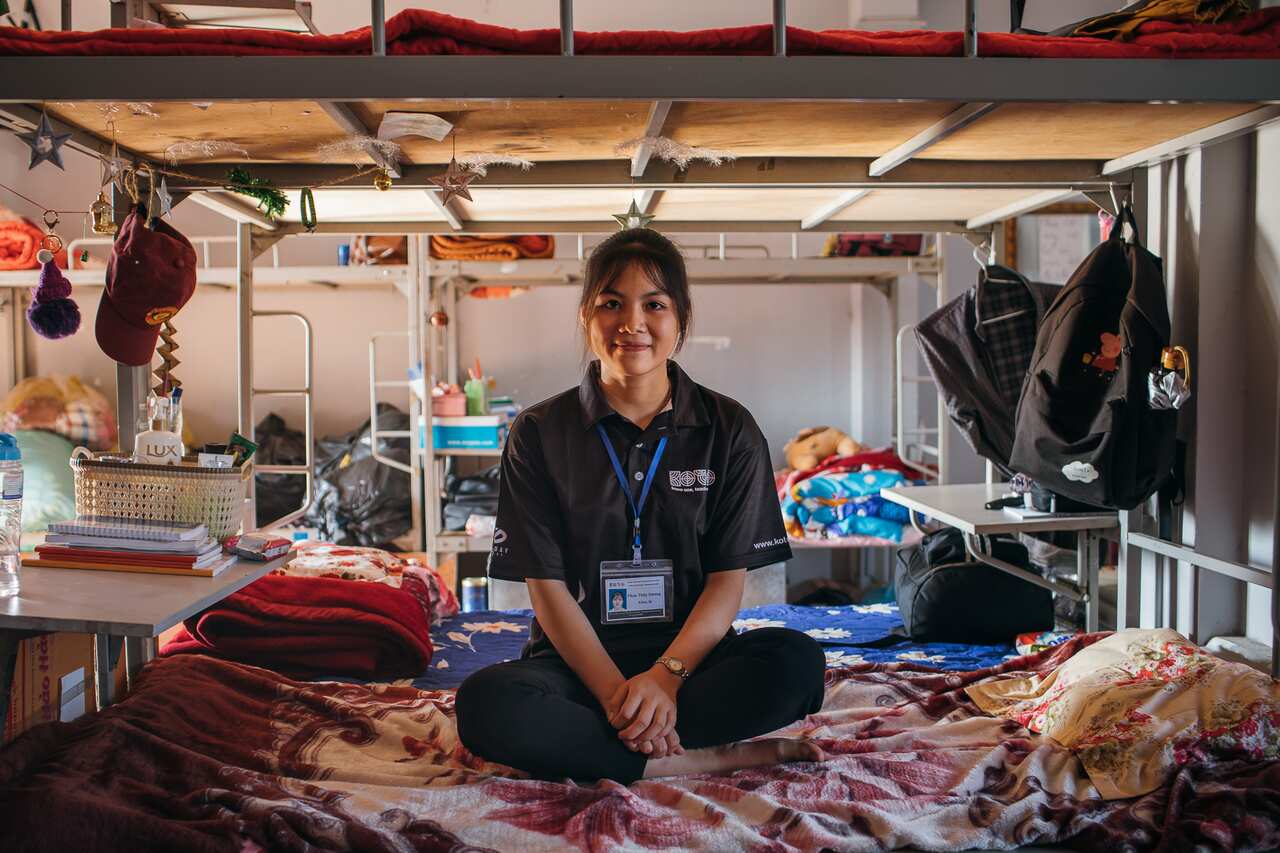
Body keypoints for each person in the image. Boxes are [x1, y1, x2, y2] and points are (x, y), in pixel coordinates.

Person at [455, 228, 827, 783]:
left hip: (692, 664)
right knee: (486, 704)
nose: (632, 323)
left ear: (681, 318)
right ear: (586, 315)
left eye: (654, 305)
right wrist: (616, 695)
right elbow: (547, 589)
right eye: (612, 303)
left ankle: (616, 749)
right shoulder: (539, 432)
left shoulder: (729, 429)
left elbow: (727, 582)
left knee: (797, 662)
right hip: (577, 667)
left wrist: (665, 679)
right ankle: (693, 758)